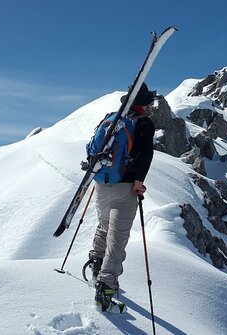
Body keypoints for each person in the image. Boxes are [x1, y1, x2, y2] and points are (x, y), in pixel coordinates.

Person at [86, 82, 156, 311]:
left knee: (104, 225)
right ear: (142, 104)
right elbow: (145, 154)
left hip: (102, 183)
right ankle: (106, 288)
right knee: (118, 238)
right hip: (125, 189)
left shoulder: (112, 119)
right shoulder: (143, 123)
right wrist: (139, 183)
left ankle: (96, 264)